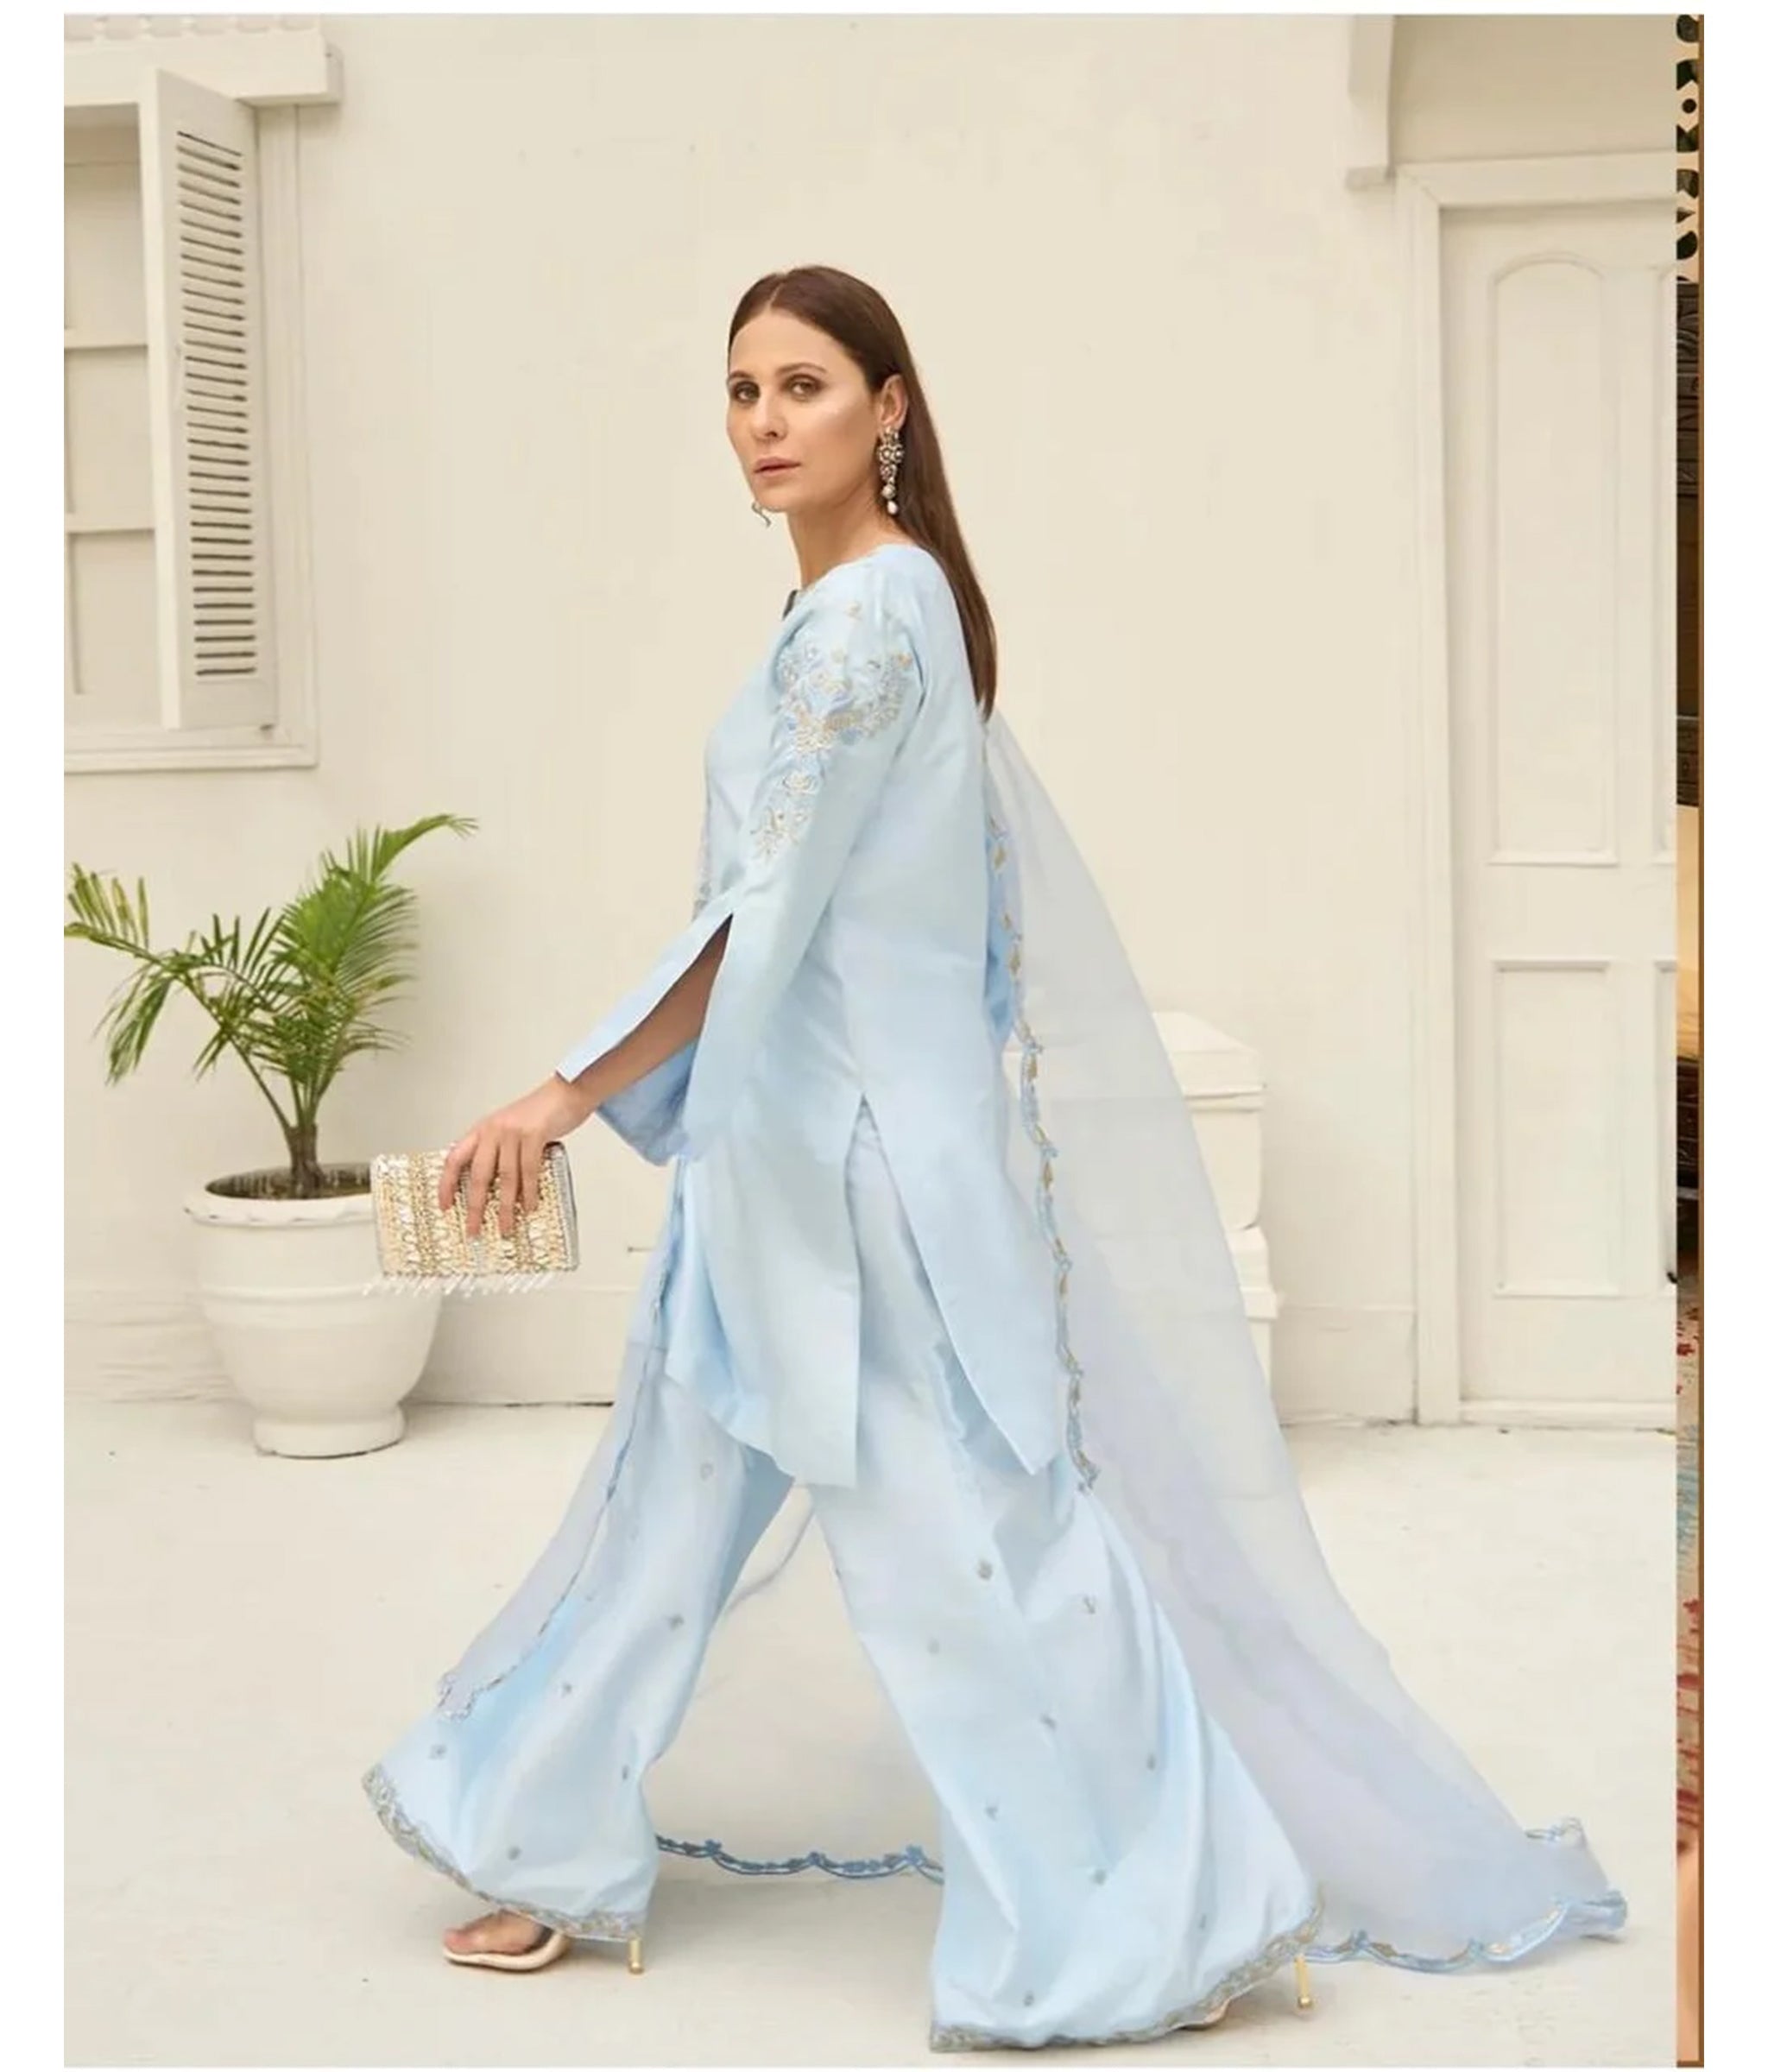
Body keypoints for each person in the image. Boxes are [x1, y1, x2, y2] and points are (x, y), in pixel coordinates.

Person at [362, 265, 1626, 2051]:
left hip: (859, 1174)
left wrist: (562, 1094)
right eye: (740, 390)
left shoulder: (874, 621)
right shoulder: (867, 609)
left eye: (804, 385)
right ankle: (539, 1835)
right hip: (777, 1143)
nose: (763, 422)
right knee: (672, 1499)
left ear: (890, 406)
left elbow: (764, 915)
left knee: (970, 1540)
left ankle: (1162, 1908)